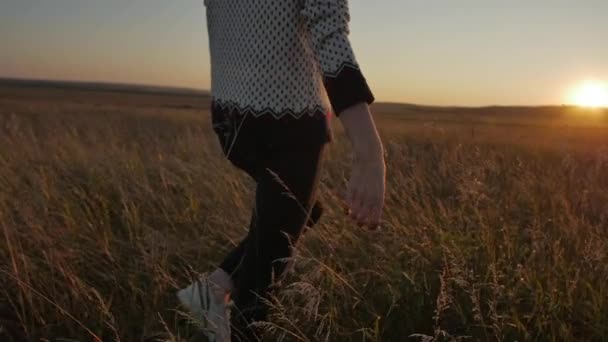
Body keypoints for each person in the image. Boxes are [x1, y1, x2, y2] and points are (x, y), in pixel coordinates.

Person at [177, 0, 386, 340]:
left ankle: (210, 291)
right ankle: (224, 312)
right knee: (258, 293)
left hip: (231, 123)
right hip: (289, 123)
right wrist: (370, 151)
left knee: (300, 212)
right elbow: (328, 32)